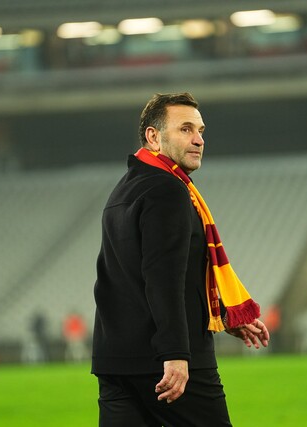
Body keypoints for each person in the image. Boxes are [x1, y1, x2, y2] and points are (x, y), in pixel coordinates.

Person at [91, 92, 270, 426]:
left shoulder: (124, 189)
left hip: (115, 361)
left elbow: (126, 278)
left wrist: (222, 312)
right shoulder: (169, 189)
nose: (199, 140)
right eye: (186, 129)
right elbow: (163, 277)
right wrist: (174, 353)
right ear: (153, 137)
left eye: (200, 131)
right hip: (165, 360)